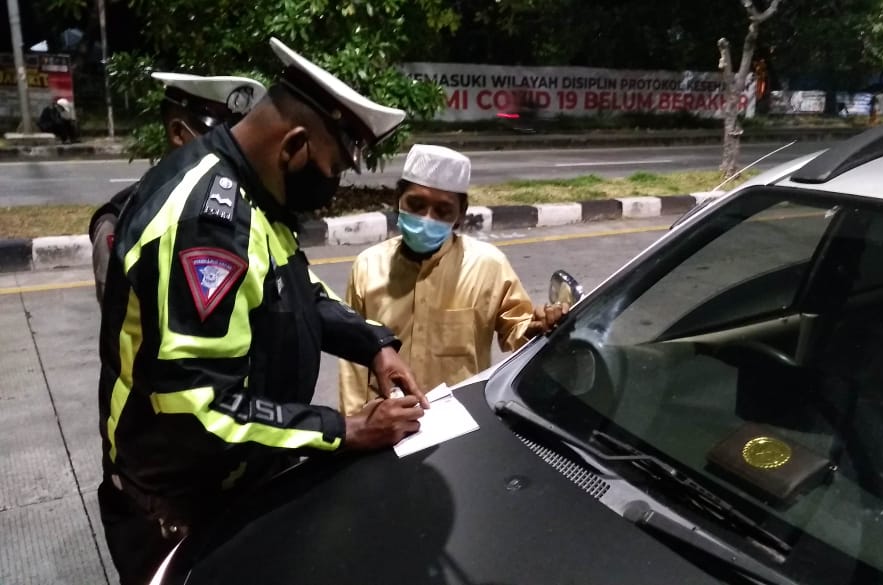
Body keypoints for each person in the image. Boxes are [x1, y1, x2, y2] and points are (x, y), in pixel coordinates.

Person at [97, 37, 429, 585]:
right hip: (178, 515)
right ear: (294, 145)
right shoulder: (207, 225)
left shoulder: (253, 193)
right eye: (333, 169)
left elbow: (296, 291)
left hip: (235, 482)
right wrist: (344, 430)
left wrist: (374, 343)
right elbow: (200, 409)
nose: (334, 186)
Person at [338, 144, 568, 414]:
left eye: (442, 210)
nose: (427, 219)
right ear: (398, 200)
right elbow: (352, 358)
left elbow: (517, 330)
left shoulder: (488, 265)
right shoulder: (368, 265)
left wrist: (538, 327)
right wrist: (355, 423)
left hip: (460, 418)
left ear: (460, 215)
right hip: (386, 420)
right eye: (416, 205)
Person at [88, 72, 267, 305]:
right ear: (177, 133)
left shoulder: (251, 203)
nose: (233, 148)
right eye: (219, 138)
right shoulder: (123, 220)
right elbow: (121, 317)